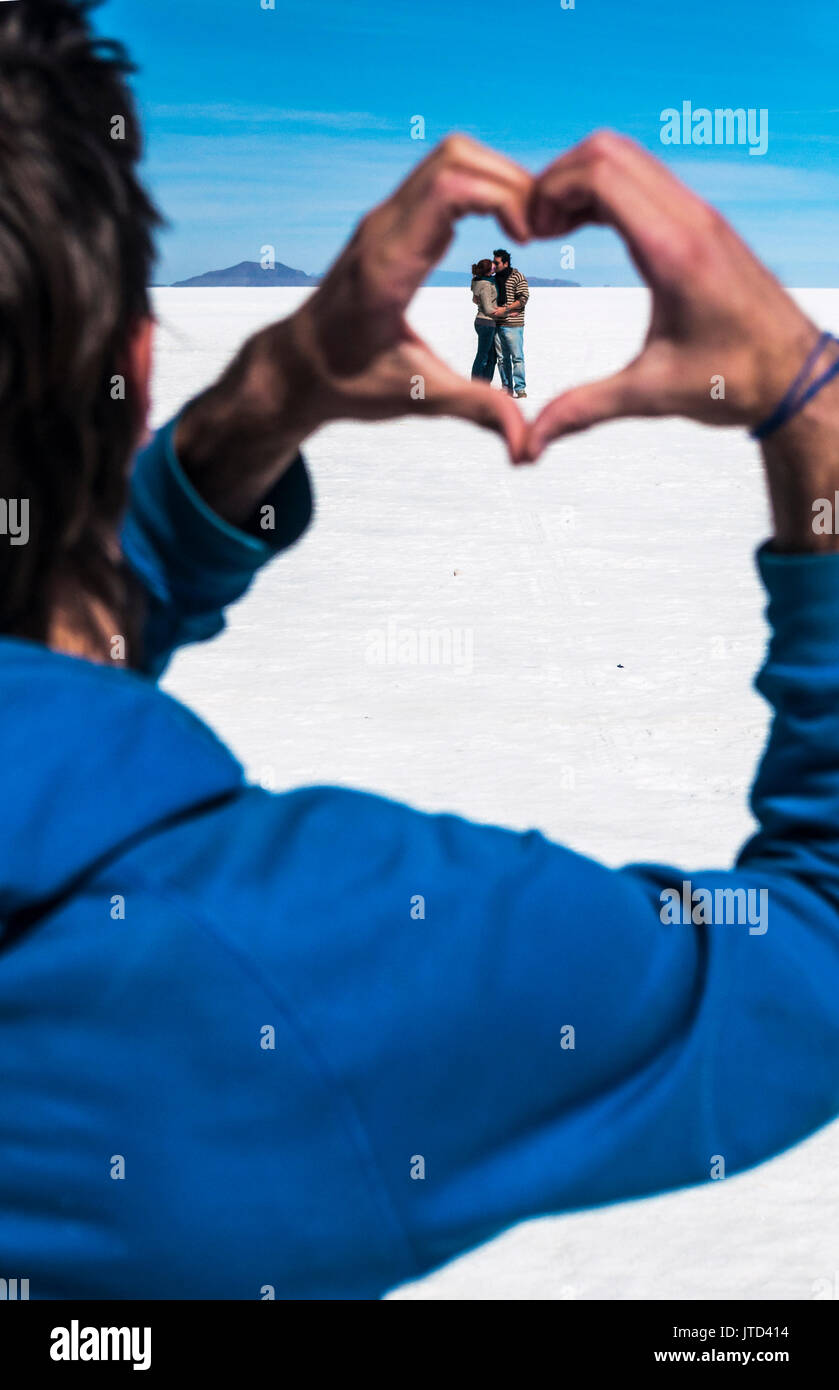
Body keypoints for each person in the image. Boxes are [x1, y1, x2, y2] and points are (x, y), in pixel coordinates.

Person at [2, 0, 839, 1302]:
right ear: (137, 357)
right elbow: (813, 958)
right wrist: (805, 396)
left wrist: (268, 395)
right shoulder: (274, 973)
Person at [491, 248, 529, 397]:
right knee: (502, 359)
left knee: (517, 357)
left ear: (505, 263)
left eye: (496, 262)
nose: (494, 265)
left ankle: (520, 389)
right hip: (497, 324)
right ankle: (507, 388)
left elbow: (523, 298)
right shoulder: (493, 279)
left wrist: (505, 309)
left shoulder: (517, 277)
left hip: (514, 324)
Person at [470, 258, 498, 380]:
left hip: (482, 322)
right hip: (486, 322)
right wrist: (505, 311)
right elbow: (488, 308)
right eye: (492, 267)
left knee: (491, 356)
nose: (494, 268)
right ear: (487, 271)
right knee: (483, 356)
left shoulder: (478, 281)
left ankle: (485, 386)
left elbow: (475, 299)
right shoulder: (486, 285)